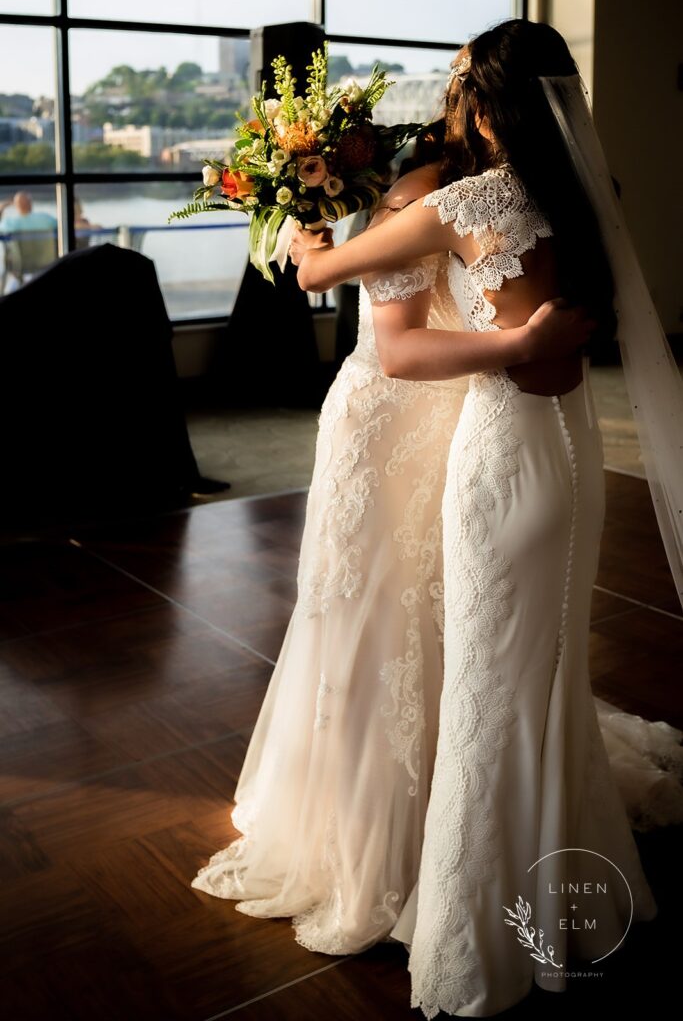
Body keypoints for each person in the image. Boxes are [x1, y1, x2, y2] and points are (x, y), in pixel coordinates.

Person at [289, 19, 683, 1016]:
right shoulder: (593, 196)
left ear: (481, 98)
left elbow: (333, 291)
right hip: (576, 456)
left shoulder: (471, 199)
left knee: (482, 682)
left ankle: (479, 933)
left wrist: (309, 239)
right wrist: (535, 333)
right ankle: (568, 895)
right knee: (544, 674)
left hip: (502, 455)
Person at [189, 122, 591, 954]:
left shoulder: (430, 202)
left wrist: (309, 240)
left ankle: (416, 804)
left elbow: (341, 298)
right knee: (377, 598)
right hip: (409, 415)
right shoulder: (460, 200)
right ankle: (383, 801)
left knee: (407, 598)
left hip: (429, 408)